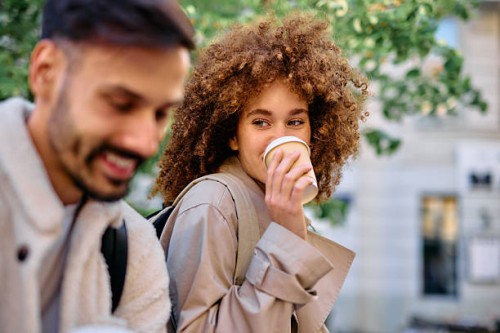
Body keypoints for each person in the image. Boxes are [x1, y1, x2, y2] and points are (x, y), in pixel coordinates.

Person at [153, 13, 369, 332]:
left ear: (315, 131)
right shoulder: (214, 203)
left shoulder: (271, 207)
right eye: (261, 122)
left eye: (295, 122)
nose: (280, 137)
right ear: (232, 134)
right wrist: (287, 237)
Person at [0, 0, 194, 332]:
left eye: (161, 114)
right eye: (120, 104)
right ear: (45, 72)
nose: (145, 142)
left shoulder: (132, 248)